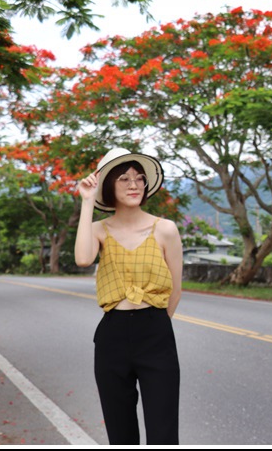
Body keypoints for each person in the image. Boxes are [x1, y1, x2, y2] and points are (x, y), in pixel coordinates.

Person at [74, 147, 183, 445]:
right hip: (113, 336)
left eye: (139, 178)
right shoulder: (98, 230)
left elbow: (176, 288)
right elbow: (83, 258)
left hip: (156, 333)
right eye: (123, 178)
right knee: (120, 433)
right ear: (108, 184)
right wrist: (87, 202)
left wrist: (155, 325)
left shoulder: (166, 230)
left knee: (163, 432)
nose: (134, 185)